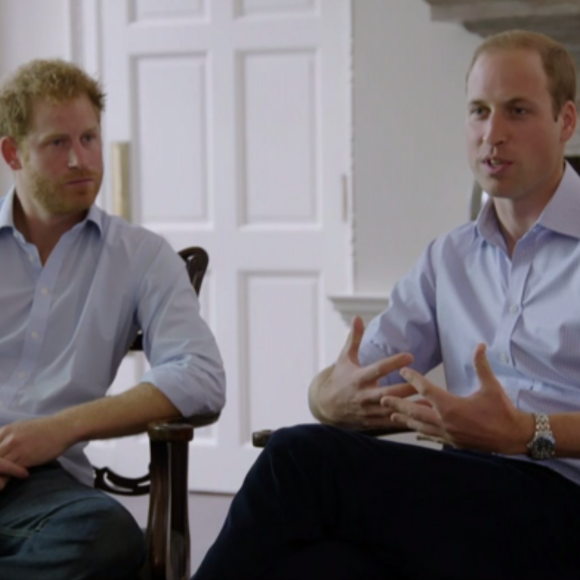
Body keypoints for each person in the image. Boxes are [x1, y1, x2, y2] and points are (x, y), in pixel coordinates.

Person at [192, 29, 580, 580]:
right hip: (471, 495)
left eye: (518, 111)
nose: (492, 134)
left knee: (300, 460)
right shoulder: (449, 257)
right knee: (316, 565)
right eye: (478, 111)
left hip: (564, 502)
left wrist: (523, 431)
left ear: (566, 120)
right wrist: (327, 396)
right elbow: (351, 381)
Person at [0, 59, 225, 579]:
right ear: (12, 151)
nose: (82, 159)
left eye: (90, 138)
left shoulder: (141, 256)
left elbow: (201, 373)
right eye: (58, 143)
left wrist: (59, 429)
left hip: (46, 493)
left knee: (106, 538)